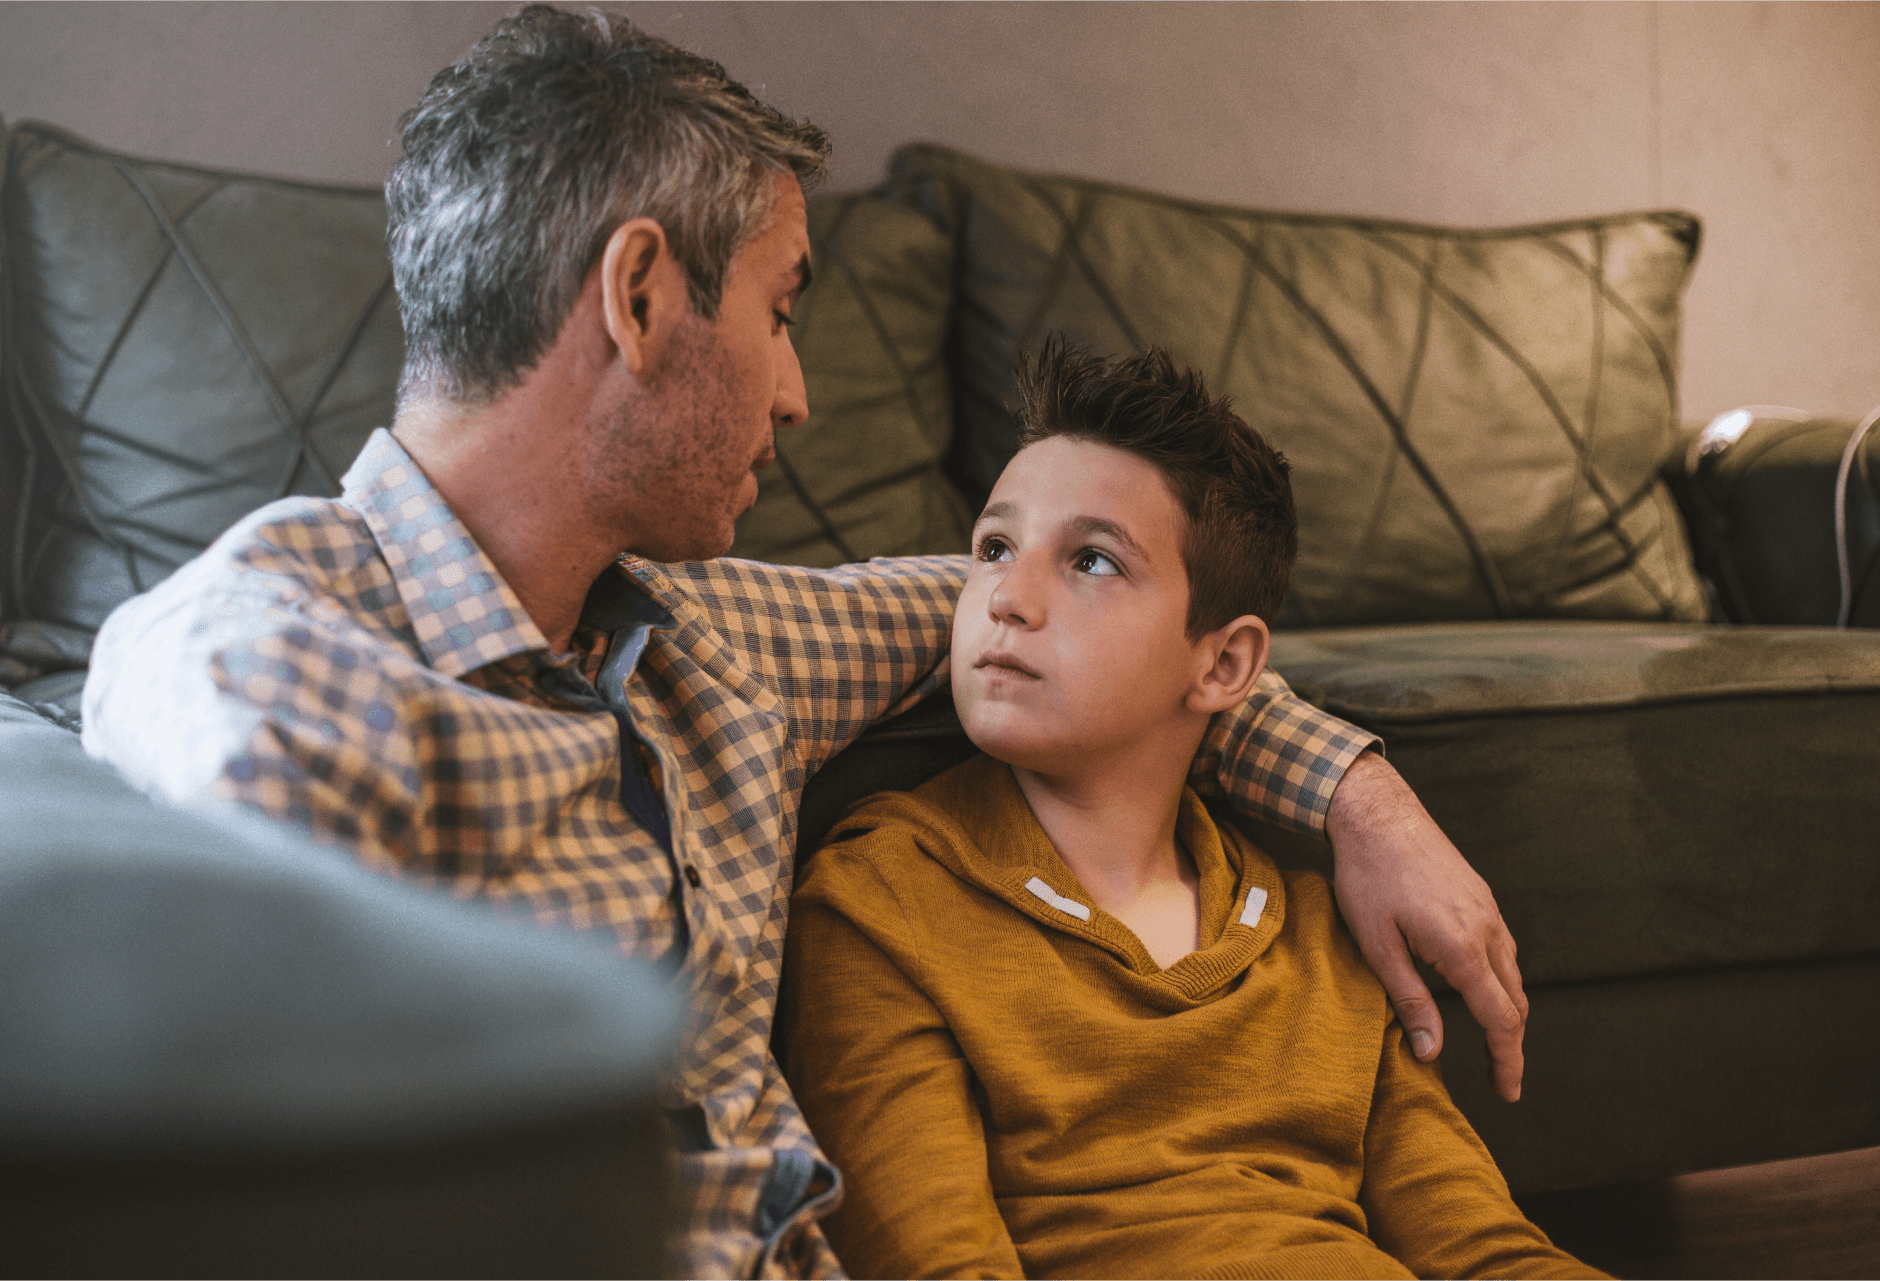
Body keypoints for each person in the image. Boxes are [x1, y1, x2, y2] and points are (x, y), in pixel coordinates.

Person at [79, 7, 1523, 1279]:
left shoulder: (720, 639)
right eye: (783, 310)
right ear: (639, 298)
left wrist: (1356, 795)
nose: (798, 394)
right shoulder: (268, 658)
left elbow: (1107, 643)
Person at [782, 342, 1603, 1281]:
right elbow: (933, 1263)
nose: (1007, 597)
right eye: (994, 548)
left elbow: (1485, 1250)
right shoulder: (879, 900)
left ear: (1223, 665)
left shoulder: (1313, 928)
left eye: (1090, 560)